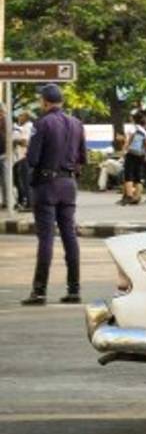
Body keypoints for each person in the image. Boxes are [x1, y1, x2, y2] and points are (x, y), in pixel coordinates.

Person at [21, 84, 87, 306]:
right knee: (70, 236)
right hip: (69, 184)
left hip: (46, 185)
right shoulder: (77, 123)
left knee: (46, 238)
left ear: (45, 101)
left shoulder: (42, 123)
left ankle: (39, 292)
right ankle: (74, 289)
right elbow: (82, 158)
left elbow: (32, 159)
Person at [119, 110, 146, 205]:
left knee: (128, 175)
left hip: (131, 153)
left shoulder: (133, 128)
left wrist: (124, 149)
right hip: (140, 155)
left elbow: (129, 140)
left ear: (134, 119)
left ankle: (129, 196)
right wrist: (145, 154)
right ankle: (137, 197)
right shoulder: (144, 131)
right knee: (138, 176)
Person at [12, 110, 34, 210]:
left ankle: (29, 203)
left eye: (21, 115)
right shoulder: (28, 126)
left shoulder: (27, 127)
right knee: (21, 180)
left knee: (25, 181)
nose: (19, 117)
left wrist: (15, 140)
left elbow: (25, 142)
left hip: (24, 156)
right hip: (22, 157)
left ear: (26, 117)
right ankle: (25, 201)